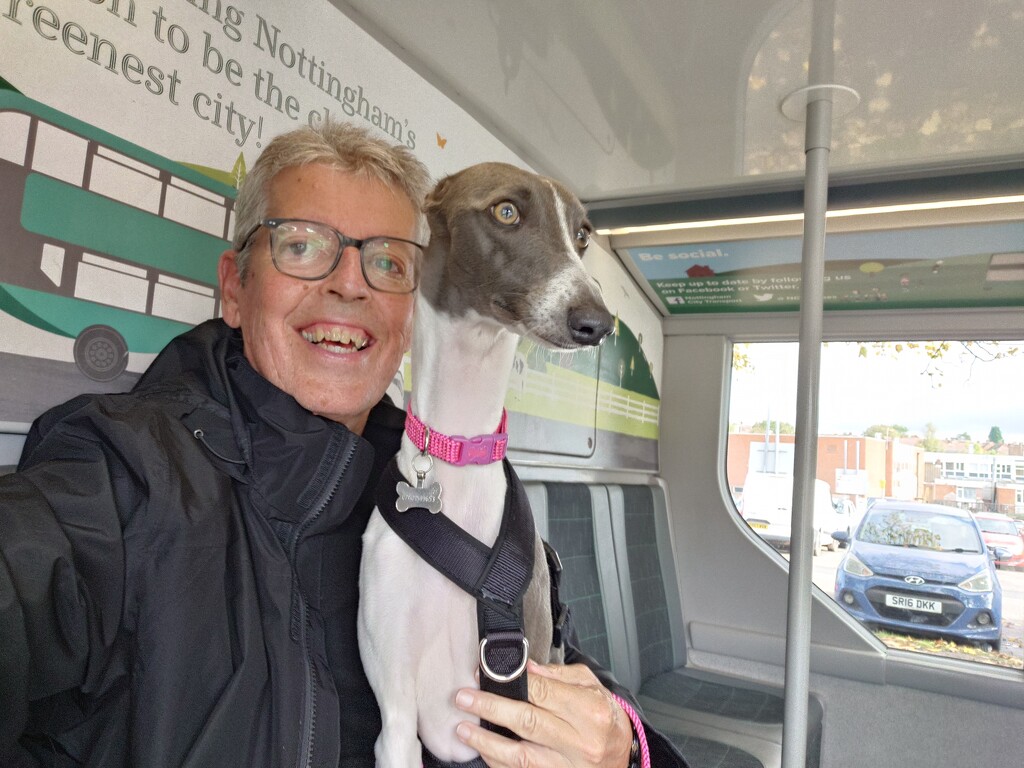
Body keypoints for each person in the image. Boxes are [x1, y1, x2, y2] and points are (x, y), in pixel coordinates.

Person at [0, 120, 686, 767]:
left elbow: (573, 690)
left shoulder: (452, 489)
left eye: (387, 262)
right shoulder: (117, 469)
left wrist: (624, 747)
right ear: (235, 289)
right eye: (302, 246)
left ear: (412, 303)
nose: (349, 284)